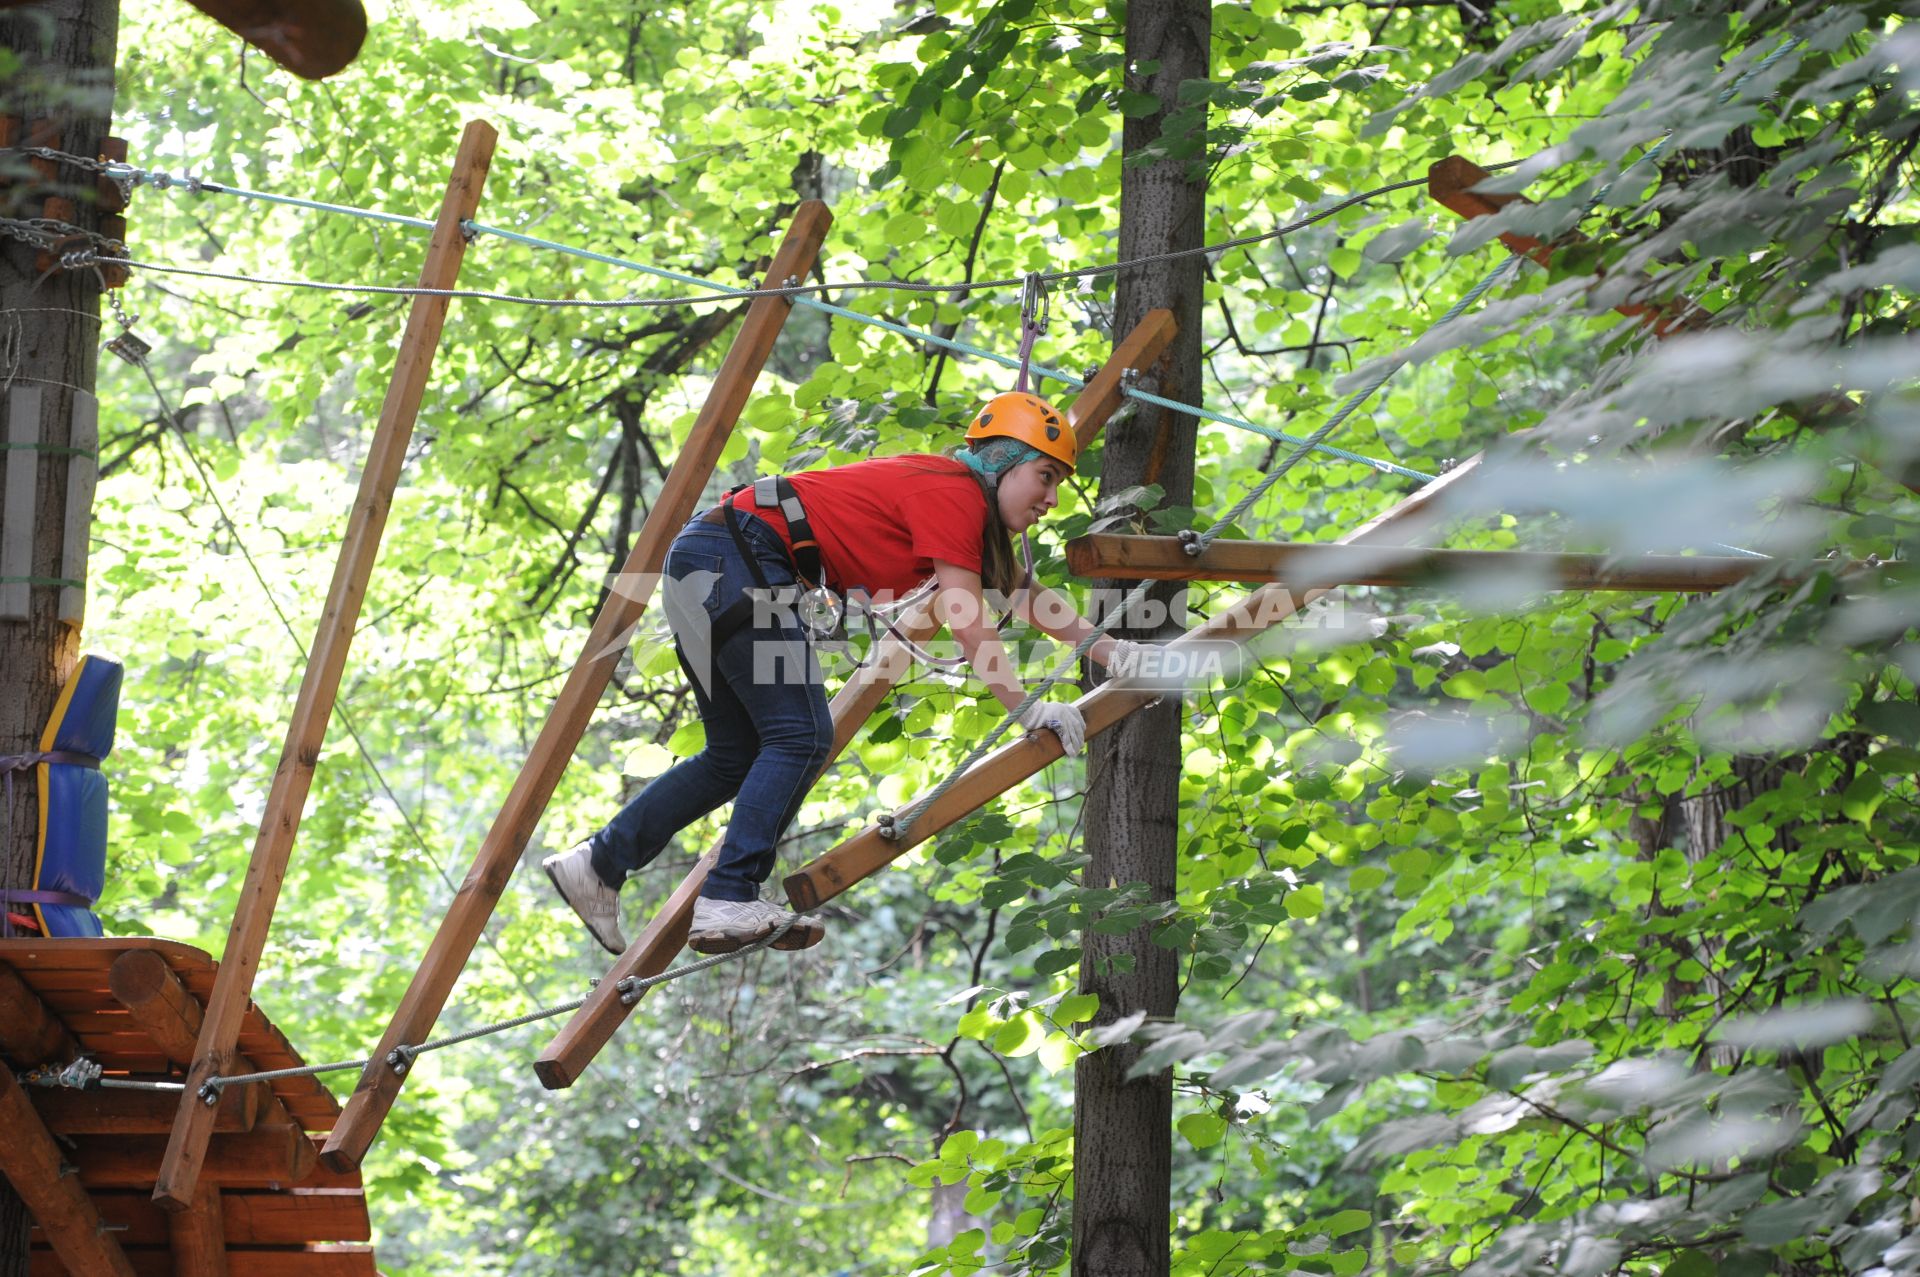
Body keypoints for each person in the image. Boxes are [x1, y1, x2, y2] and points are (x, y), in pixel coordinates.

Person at [543, 392, 1148, 955]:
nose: (1052, 500)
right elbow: (966, 615)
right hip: (739, 558)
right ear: (1003, 463)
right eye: (1045, 477)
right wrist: (1027, 707)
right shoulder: (956, 491)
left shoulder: (962, 511)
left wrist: (1112, 652)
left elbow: (1023, 595)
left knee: (736, 756)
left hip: (710, 559)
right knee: (800, 736)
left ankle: (600, 862)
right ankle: (728, 896)